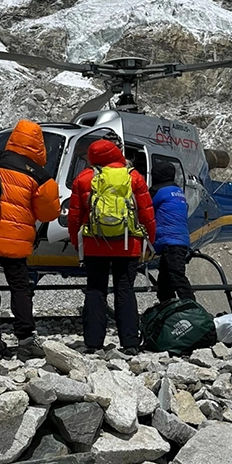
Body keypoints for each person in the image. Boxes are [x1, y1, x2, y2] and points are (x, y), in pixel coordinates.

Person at [0, 120, 60, 358]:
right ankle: (25, 338)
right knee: (20, 289)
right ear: (38, 145)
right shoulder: (39, 175)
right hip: (16, 243)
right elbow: (49, 213)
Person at [67, 136, 156, 354]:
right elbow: (146, 213)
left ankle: (93, 342)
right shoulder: (133, 177)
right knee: (124, 290)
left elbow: (75, 217)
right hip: (128, 243)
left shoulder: (84, 178)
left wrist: (77, 243)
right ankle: (130, 343)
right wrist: (148, 241)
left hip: (94, 243)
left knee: (95, 290)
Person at [150, 158, 195, 303]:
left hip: (170, 241)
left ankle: (191, 306)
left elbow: (144, 207)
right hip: (181, 240)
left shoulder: (158, 192)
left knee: (176, 275)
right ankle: (168, 307)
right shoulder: (177, 191)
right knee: (165, 279)